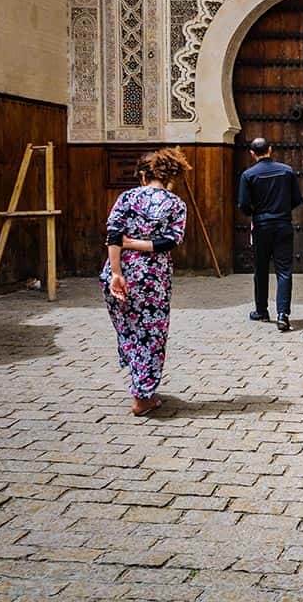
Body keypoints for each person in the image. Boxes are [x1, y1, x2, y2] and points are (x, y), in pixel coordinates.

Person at [100, 148, 190, 416]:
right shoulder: (175, 204)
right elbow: (169, 242)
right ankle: (143, 396)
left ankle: (141, 382)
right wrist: (138, 244)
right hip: (153, 278)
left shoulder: (126, 197)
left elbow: (114, 236)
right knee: (151, 333)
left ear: (142, 175)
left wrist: (116, 272)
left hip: (120, 272)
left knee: (129, 327)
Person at [238, 137, 303, 331]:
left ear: (252, 153)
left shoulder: (248, 175)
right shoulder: (286, 171)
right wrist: (282, 210)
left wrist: (256, 214)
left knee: (260, 268)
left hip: (261, 226)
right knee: (284, 270)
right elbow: (296, 199)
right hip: (283, 224)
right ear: (270, 150)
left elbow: (243, 205)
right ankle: (283, 314)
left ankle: (262, 310)